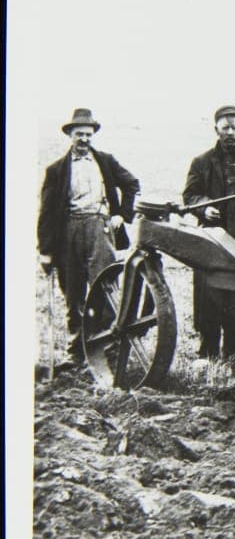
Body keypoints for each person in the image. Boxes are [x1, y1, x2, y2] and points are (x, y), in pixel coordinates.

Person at [37, 108, 141, 364]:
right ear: (70, 135)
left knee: (103, 286)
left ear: (93, 135)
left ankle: (107, 348)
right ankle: (76, 351)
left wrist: (121, 215)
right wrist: (45, 251)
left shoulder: (105, 161)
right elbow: (47, 213)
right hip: (69, 232)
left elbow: (131, 184)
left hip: (99, 228)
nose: (84, 139)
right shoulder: (56, 170)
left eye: (88, 134)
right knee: (73, 293)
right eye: (79, 134)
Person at [182, 105, 235, 360]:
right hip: (211, 238)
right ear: (216, 129)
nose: (230, 132)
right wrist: (204, 207)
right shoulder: (201, 162)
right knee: (209, 293)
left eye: (234, 127)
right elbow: (190, 195)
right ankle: (208, 350)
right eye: (225, 128)